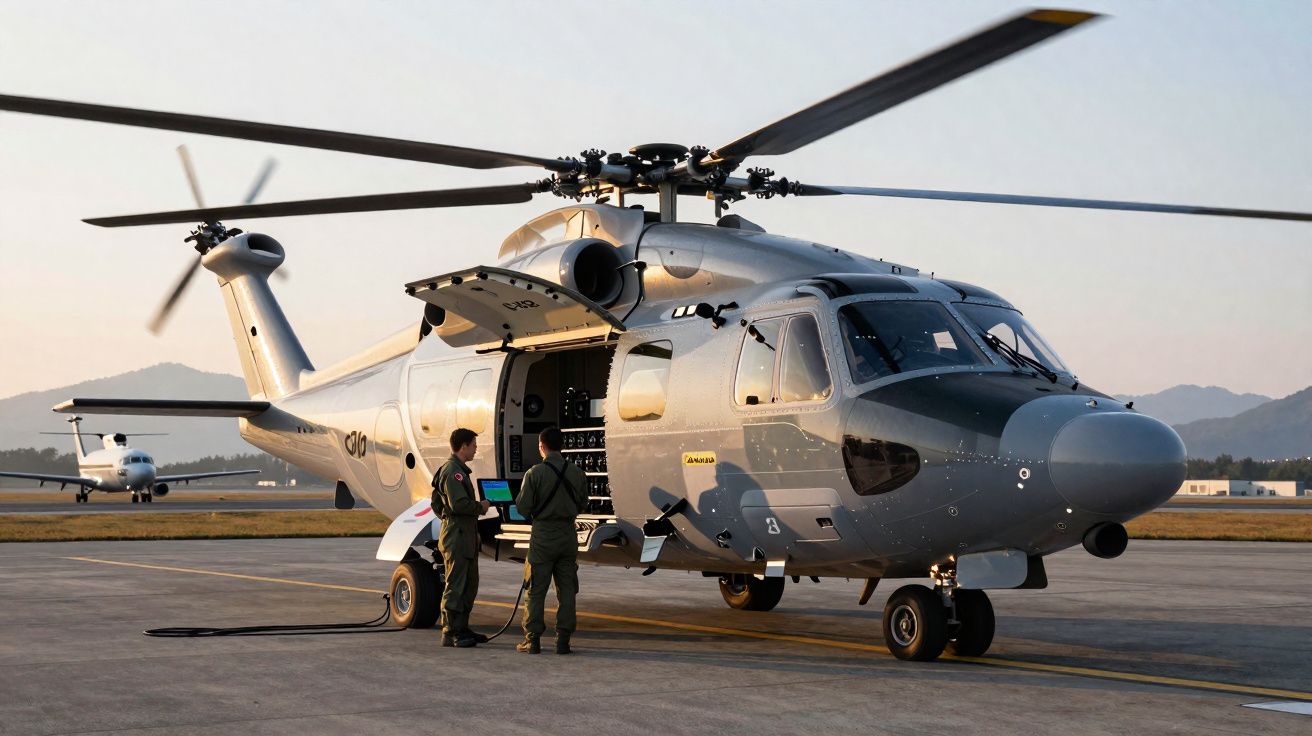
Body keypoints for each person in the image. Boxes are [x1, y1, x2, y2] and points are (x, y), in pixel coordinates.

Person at [514, 426, 587, 654]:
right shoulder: (577, 473)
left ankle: (532, 640)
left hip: (543, 536)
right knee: (567, 590)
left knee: (536, 589)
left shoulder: (534, 473)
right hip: (567, 536)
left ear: (541, 446)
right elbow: (583, 504)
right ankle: (563, 640)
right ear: (562, 446)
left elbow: (523, 507)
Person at [432, 427, 490, 648]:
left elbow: (437, 504)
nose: (475, 449)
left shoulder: (458, 471)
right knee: (456, 584)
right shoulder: (453, 472)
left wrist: (451, 519)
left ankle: (462, 626)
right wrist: (480, 507)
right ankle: (450, 630)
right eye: (474, 445)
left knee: (469, 584)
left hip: (463, 534)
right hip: (457, 537)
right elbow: (458, 504)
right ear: (464, 446)